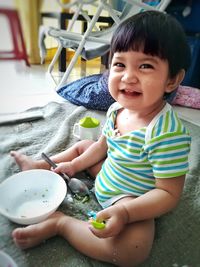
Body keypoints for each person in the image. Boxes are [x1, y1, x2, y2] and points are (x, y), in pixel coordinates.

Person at [10, 10, 191, 267]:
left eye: (146, 66)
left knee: (132, 251)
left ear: (172, 80)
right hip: (108, 171)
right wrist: (74, 167)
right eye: (120, 64)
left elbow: (168, 194)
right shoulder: (117, 108)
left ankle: (60, 224)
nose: (128, 76)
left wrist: (126, 212)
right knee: (85, 146)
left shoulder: (166, 134)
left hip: (130, 196)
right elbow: (104, 146)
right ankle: (40, 165)